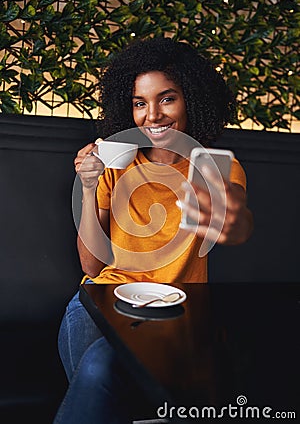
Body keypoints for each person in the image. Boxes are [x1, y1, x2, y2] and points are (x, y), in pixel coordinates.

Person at [54, 37, 253, 423]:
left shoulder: (215, 168)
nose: (153, 115)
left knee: (100, 370)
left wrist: (231, 219)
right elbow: (93, 267)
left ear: (190, 100)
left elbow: (238, 223)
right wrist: (90, 187)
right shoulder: (115, 164)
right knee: (99, 370)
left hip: (178, 312)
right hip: (99, 299)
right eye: (140, 103)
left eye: (167, 98)